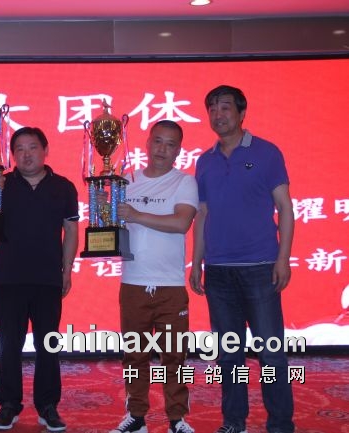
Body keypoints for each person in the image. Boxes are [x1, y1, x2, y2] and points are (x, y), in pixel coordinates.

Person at [188, 85, 295, 433]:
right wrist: (197, 261)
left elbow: (285, 208)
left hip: (260, 269)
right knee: (229, 354)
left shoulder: (267, 152)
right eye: (212, 109)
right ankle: (234, 422)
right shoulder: (205, 161)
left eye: (225, 107)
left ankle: (280, 424)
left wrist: (283, 259)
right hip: (219, 272)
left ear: (241, 113)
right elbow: (202, 214)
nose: (217, 115)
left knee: (271, 353)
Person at [106, 120, 198, 433]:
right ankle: (136, 416)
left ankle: (177, 419)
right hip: (133, 283)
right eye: (157, 141)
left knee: (175, 354)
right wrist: (105, 209)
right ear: (147, 143)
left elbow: (181, 223)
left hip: (170, 285)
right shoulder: (126, 180)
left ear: (178, 150)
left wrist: (136, 215)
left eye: (170, 144)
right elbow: (113, 225)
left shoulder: (184, 182)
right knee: (134, 354)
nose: (162, 149)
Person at [0, 126, 79, 432]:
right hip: (8, 278)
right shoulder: (2, 184)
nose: (26, 155)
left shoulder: (63, 187)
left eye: (32, 147)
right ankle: (9, 404)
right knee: (9, 344)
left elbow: (71, 230)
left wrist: (67, 269)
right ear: (13, 155)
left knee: (48, 344)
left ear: (45, 150)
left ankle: (48, 405)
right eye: (19, 149)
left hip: (47, 278)